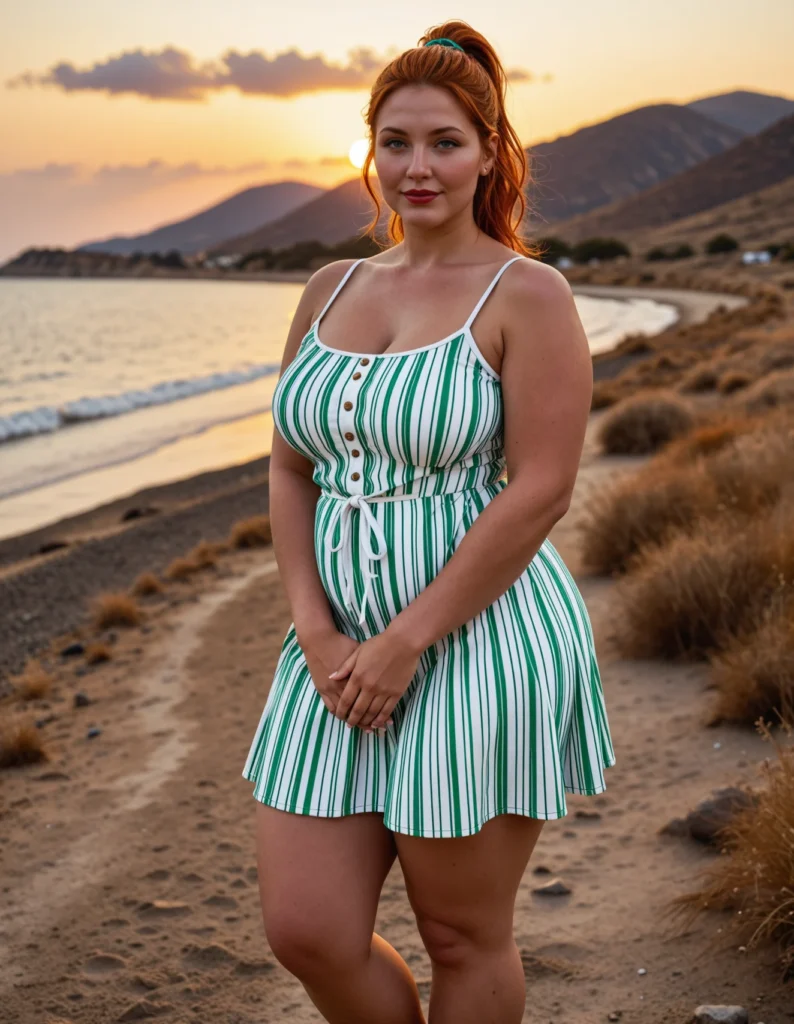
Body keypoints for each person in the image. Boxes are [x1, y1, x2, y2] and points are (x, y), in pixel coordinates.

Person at [242, 19, 616, 1024]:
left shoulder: (526, 294)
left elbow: (539, 486)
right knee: (307, 929)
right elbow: (289, 463)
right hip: (330, 650)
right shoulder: (329, 289)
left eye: (443, 142)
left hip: (475, 643)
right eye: (394, 142)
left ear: (487, 151)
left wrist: (409, 638)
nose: (416, 167)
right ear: (366, 151)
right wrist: (317, 630)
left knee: (460, 936)